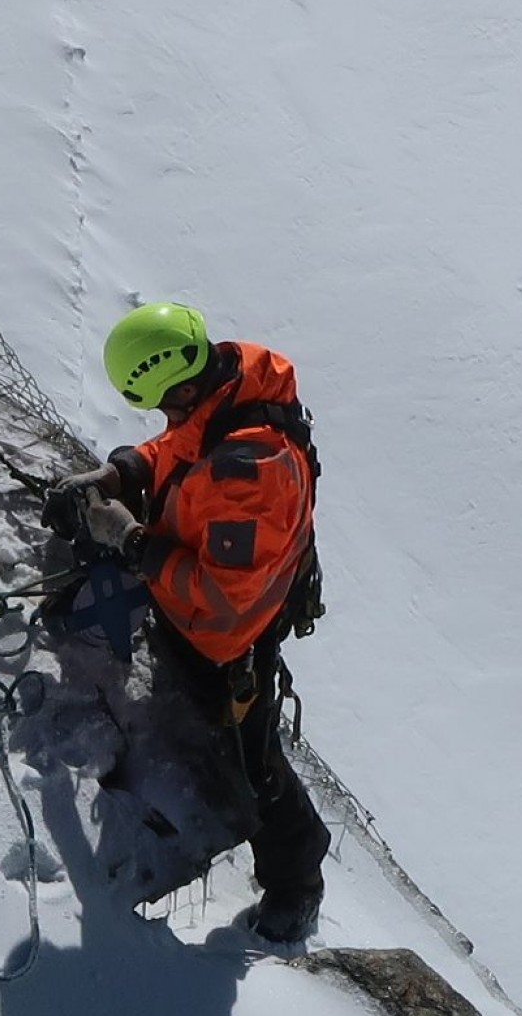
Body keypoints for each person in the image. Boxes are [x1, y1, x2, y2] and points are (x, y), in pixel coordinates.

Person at [46, 302, 331, 942]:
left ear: (182, 382)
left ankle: (297, 885)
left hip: (229, 637)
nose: (165, 418)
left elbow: (219, 599)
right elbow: (183, 442)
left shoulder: (250, 472)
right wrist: (124, 472)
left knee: (256, 768)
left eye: (165, 403)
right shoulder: (228, 387)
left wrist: (133, 543)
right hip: (225, 609)